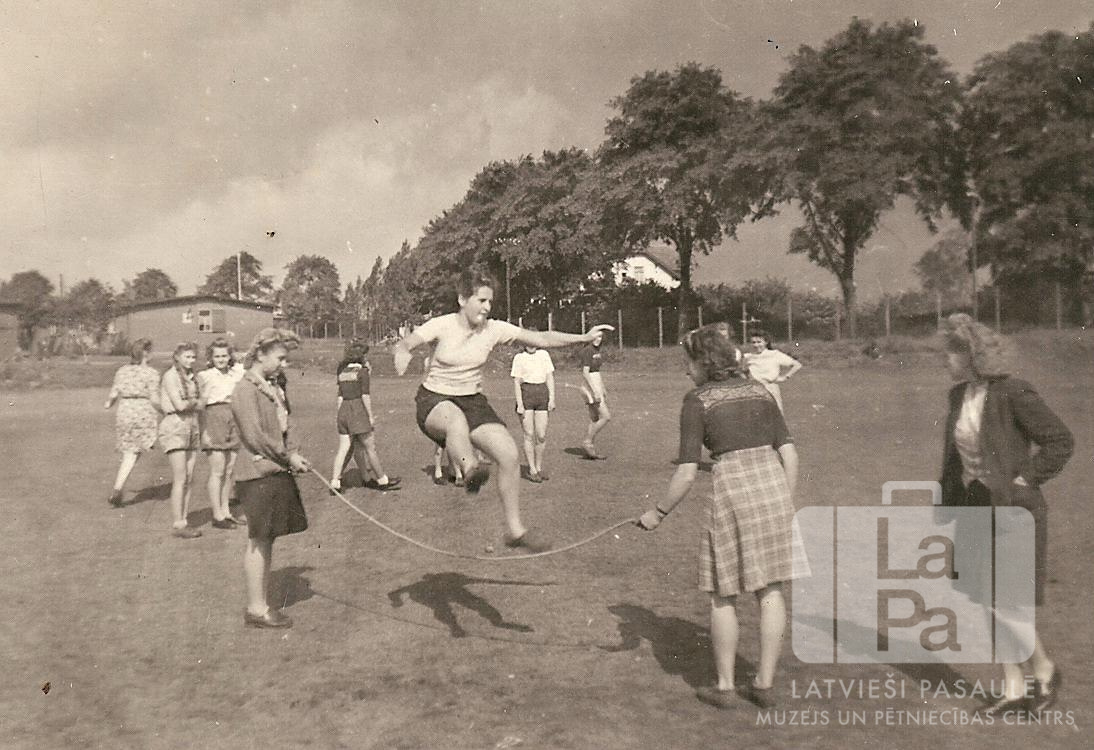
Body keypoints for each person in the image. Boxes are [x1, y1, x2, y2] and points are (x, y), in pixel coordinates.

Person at [637, 322, 805, 710]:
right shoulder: (761, 391)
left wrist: (658, 513)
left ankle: (726, 687)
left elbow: (686, 472)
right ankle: (764, 684)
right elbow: (790, 454)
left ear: (704, 362)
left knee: (722, 594)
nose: (686, 370)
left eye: (689, 362)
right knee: (771, 590)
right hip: (774, 489)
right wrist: (787, 503)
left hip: (732, 489)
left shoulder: (697, 400)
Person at [393, 270, 613, 552]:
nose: (487, 307)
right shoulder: (443, 325)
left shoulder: (494, 329)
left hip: (472, 400)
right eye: (481, 300)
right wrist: (402, 351)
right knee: (456, 421)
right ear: (462, 299)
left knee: (509, 454)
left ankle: (515, 531)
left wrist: (583, 337)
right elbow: (407, 342)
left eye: (490, 302)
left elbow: (542, 338)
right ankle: (470, 469)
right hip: (434, 400)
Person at [938, 313, 1072, 716]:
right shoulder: (958, 395)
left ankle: (1044, 668)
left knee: (1006, 603)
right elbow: (953, 456)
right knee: (986, 600)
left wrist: (1024, 480)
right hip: (975, 506)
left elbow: (1060, 441)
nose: (944, 359)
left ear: (971, 355)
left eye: (950, 352)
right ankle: (1013, 689)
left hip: (1013, 511)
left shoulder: (1013, 391)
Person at [231, 328, 311, 629]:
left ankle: (260, 603)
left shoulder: (271, 387)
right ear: (261, 354)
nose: (283, 364)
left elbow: (285, 426)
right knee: (259, 538)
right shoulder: (245, 389)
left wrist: (294, 451)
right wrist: (288, 456)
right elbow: (255, 436)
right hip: (256, 474)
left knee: (267, 539)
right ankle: (256, 608)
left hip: (273, 470)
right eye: (280, 358)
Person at [330, 340, 400, 493]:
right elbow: (365, 396)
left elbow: (340, 396)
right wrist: (370, 416)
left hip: (343, 411)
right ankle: (382, 480)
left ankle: (335, 481)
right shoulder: (362, 372)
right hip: (357, 410)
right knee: (370, 447)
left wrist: (340, 415)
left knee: (344, 448)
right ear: (361, 356)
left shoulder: (342, 373)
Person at [104, 338, 160, 506]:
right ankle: (117, 489)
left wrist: (108, 403)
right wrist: (166, 411)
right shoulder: (151, 373)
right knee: (132, 452)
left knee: (131, 451)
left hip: (125, 411)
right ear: (146, 353)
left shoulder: (122, 371)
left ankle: (119, 487)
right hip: (142, 411)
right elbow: (155, 399)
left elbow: (114, 394)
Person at [197, 339, 246, 529]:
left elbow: (248, 363)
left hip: (233, 417)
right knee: (217, 470)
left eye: (224, 355)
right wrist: (204, 431)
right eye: (217, 356)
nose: (221, 359)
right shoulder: (205, 376)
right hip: (214, 418)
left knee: (230, 469)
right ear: (211, 357)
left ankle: (226, 511)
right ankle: (217, 515)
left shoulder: (237, 373)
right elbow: (201, 407)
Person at [159, 342, 203, 538]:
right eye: (187, 357)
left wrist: (194, 403)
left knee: (190, 477)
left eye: (193, 357)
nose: (191, 360)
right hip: (175, 426)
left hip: (191, 425)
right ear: (177, 357)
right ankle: (178, 524)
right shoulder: (170, 376)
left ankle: (184, 520)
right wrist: (195, 402)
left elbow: (199, 404)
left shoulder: (193, 377)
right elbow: (179, 405)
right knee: (181, 477)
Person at [510, 334, 556, 482]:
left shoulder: (544, 355)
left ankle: (539, 467)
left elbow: (550, 377)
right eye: (528, 342)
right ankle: (532, 469)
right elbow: (517, 382)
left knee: (541, 435)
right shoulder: (519, 358)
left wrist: (552, 398)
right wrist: (520, 404)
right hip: (526, 395)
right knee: (528, 434)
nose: (531, 345)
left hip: (542, 394)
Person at [743, 330, 802, 413]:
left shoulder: (775, 354)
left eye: (759, 342)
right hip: (754, 391)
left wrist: (785, 377)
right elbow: (742, 371)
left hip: (771, 389)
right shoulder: (747, 357)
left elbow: (797, 365)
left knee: (775, 415)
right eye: (753, 342)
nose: (756, 345)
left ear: (766, 342)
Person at [579, 330, 611, 459]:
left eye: (600, 337)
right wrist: (595, 391)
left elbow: (597, 371)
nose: (598, 339)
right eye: (596, 336)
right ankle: (587, 441)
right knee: (606, 416)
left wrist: (602, 387)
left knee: (594, 418)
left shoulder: (597, 350)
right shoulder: (587, 351)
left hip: (596, 383)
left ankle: (590, 449)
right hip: (590, 386)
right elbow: (585, 373)